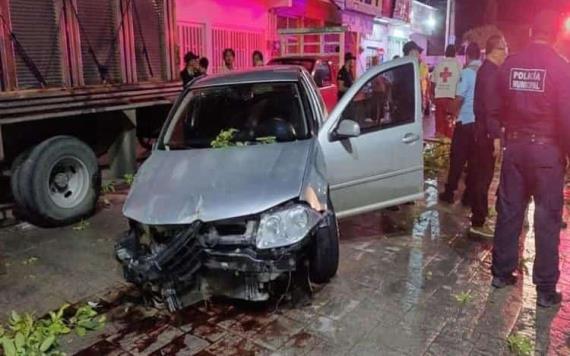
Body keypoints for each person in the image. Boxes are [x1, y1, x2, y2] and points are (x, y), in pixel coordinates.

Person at [490, 10, 570, 308]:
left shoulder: (511, 64)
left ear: (530, 32)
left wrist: (502, 133)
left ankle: (501, 273)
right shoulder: (562, 69)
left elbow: (495, 105)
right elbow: (566, 118)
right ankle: (546, 290)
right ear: (553, 36)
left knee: (509, 212)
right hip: (547, 154)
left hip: (515, 150)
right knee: (547, 220)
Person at [469, 35, 508, 239]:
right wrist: (495, 136)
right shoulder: (491, 73)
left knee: (481, 176)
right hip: (486, 133)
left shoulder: (487, 71)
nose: (506, 52)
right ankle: (478, 221)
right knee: (483, 177)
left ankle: (478, 216)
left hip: (481, 130)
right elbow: (491, 108)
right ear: (496, 49)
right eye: (504, 48)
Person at [439, 42, 482, 206]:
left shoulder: (467, 73)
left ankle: (450, 192)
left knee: (457, 158)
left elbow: (459, 98)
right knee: (473, 161)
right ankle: (469, 196)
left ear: (468, 56)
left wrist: (450, 111)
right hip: (478, 124)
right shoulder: (484, 72)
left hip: (465, 122)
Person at [432, 45, 462, 138]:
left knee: (439, 128)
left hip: (439, 98)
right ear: (455, 54)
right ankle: (449, 149)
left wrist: (433, 97)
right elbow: (461, 82)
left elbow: (432, 82)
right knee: (450, 128)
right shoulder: (458, 65)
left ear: (445, 53)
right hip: (451, 99)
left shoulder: (439, 64)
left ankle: (440, 149)